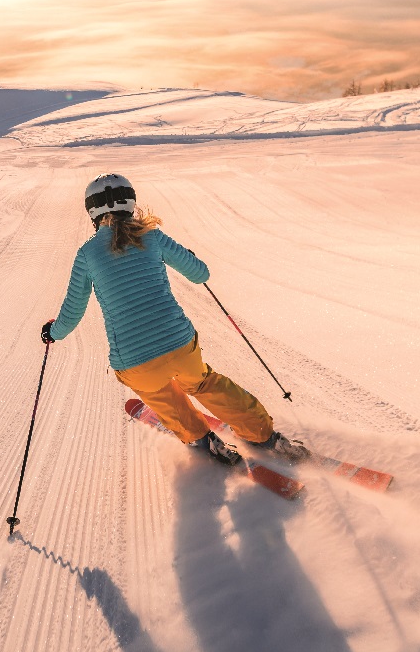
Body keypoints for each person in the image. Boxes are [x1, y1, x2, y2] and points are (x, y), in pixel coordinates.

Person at [41, 173, 309, 465]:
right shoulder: (152, 236)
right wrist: (190, 257)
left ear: (92, 211)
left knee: (161, 395)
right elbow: (200, 274)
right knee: (205, 383)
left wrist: (53, 332)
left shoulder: (87, 254)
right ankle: (264, 436)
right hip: (180, 345)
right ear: (130, 203)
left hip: (134, 359)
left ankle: (202, 440)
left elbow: (71, 313)